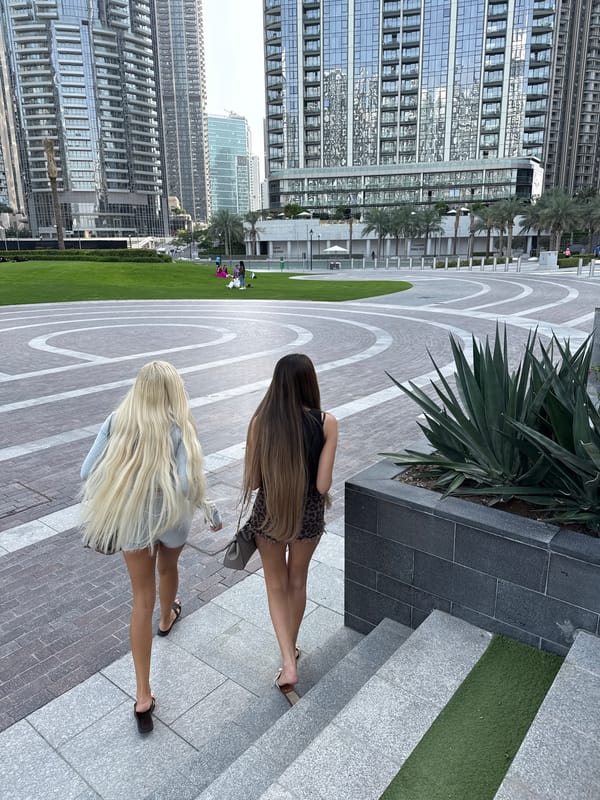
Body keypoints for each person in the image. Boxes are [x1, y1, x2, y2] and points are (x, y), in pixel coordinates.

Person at [80, 361, 221, 734]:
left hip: (132, 520)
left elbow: (86, 472)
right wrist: (206, 506)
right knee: (168, 568)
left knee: (139, 599)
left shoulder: (116, 422)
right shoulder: (179, 428)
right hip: (172, 518)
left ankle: (143, 694)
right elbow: (190, 486)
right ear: (174, 390)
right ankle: (167, 617)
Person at [241, 354, 338, 704]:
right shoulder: (327, 423)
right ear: (309, 381)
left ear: (277, 383)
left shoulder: (259, 423)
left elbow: (252, 482)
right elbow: (323, 485)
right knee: (298, 582)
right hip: (308, 517)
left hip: (269, 517)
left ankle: (287, 660)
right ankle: (290, 653)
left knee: (275, 585)